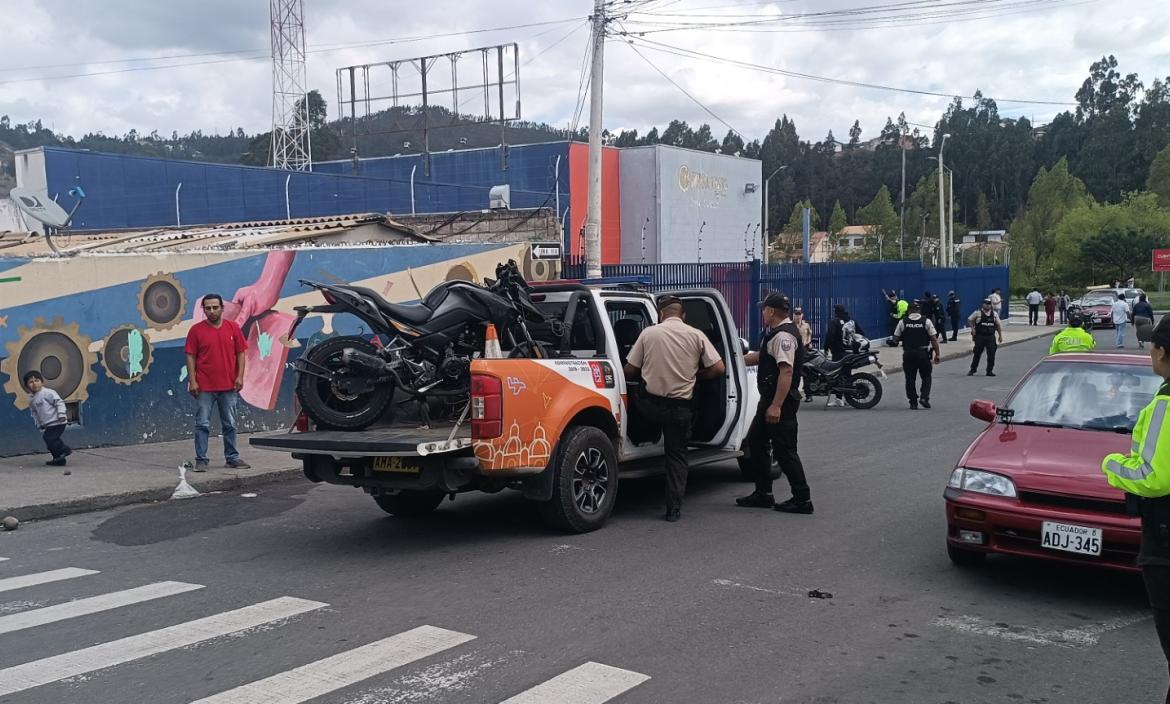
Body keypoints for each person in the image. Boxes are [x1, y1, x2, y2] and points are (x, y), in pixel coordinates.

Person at [1101, 316, 1170, 704]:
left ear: (1161, 351)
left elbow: (1152, 476)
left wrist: (1110, 464)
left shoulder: (1166, 402)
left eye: (1151, 347)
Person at [624, 295, 725, 522]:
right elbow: (718, 368)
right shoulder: (696, 335)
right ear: (683, 315)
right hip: (680, 409)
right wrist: (697, 376)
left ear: (661, 314)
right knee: (677, 457)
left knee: (634, 397)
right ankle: (673, 508)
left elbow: (630, 370)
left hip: (649, 408)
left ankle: (639, 440)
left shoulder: (648, 333)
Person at [736, 292, 813, 515]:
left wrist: (776, 405)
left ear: (771, 311)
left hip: (781, 402)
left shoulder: (783, 337)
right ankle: (763, 493)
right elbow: (762, 357)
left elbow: (786, 371)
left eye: (764, 309)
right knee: (757, 443)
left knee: (785, 451)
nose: (762, 313)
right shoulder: (775, 335)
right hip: (769, 400)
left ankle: (802, 499)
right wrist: (733, 359)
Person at [185, 293, 251, 471]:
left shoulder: (233, 328)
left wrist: (240, 376)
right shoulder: (196, 331)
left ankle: (232, 458)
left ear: (222, 308)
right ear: (204, 310)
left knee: (230, 424)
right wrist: (193, 381)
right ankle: (201, 460)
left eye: (215, 307)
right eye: (208, 308)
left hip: (228, 386)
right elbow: (190, 356)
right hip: (204, 387)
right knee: (202, 424)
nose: (212, 311)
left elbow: (241, 353)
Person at [891, 301, 942, 410]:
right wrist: (937, 354)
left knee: (910, 378)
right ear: (919, 311)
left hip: (908, 353)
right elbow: (933, 338)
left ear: (909, 311)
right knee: (927, 376)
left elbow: (895, 339)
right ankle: (924, 397)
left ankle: (913, 402)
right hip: (923, 353)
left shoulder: (902, 322)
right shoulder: (926, 321)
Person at [23, 371, 72, 467]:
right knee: (50, 441)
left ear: (42, 382)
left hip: (58, 421)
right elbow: (34, 413)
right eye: (31, 382)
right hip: (48, 424)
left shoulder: (47, 393)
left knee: (50, 438)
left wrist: (61, 414)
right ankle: (58, 459)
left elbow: (59, 402)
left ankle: (64, 450)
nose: (34, 384)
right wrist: (38, 423)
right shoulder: (31, 399)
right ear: (27, 386)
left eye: (36, 380)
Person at [821, 304, 864, 408]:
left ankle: (839, 399)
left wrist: (826, 348)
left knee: (837, 375)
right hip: (851, 352)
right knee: (847, 374)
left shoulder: (834, 322)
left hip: (839, 352)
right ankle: (848, 398)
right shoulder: (852, 322)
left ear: (836, 312)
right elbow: (861, 333)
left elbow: (830, 335)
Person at [968, 298, 1004, 376]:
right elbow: (970, 320)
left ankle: (989, 371)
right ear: (983, 304)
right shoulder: (977, 313)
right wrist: (973, 329)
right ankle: (973, 369)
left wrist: (1000, 336)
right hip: (980, 336)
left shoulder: (994, 314)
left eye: (989, 304)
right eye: (986, 304)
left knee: (991, 354)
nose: (987, 305)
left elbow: (998, 325)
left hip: (990, 337)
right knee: (977, 353)